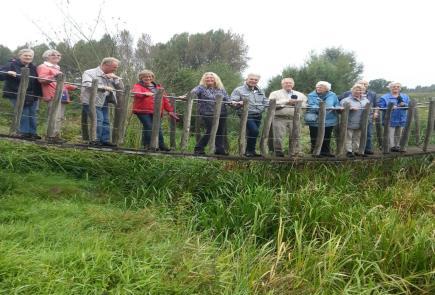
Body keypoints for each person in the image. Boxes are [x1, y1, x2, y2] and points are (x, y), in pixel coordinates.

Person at [80, 57, 123, 146]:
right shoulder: (89, 72)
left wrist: (116, 79)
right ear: (105, 65)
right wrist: (103, 87)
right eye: (114, 67)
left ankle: (105, 140)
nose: (116, 69)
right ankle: (95, 140)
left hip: (104, 100)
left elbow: (121, 88)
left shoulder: (111, 75)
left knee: (106, 121)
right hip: (90, 101)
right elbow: (87, 84)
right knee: (98, 119)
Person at [0, 49, 42, 139]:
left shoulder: (33, 67)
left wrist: (39, 94)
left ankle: (32, 132)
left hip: (32, 94)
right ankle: (23, 132)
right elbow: (1, 73)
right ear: (20, 56)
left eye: (30, 56)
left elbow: (37, 81)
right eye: (25, 55)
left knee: (32, 113)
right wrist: (8, 73)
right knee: (23, 111)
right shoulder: (11, 64)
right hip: (16, 93)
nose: (28, 57)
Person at [37, 49, 77, 143]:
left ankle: (56, 136)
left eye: (58, 55)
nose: (56, 56)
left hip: (61, 94)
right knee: (54, 116)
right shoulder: (43, 66)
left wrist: (72, 87)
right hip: (52, 94)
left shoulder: (56, 68)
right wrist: (54, 76)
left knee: (60, 117)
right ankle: (50, 136)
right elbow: (42, 79)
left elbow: (59, 83)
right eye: (53, 55)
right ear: (46, 56)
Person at [132, 70, 177, 151]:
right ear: (141, 78)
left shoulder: (159, 88)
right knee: (148, 126)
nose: (148, 78)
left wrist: (170, 111)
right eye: (145, 77)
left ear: (152, 78)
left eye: (150, 77)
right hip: (142, 111)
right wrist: (145, 94)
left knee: (158, 127)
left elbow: (165, 100)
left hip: (156, 111)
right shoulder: (138, 86)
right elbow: (136, 93)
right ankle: (147, 145)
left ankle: (161, 145)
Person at [191, 72, 229, 155]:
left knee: (220, 131)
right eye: (207, 78)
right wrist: (185, 97)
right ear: (204, 79)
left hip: (222, 113)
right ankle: (199, 148)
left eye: (211, 78)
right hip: (207, 113)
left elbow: (227, 99)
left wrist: (235, 103)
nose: (209, 79)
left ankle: (219, 149)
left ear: (216, 79)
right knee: (211, 130)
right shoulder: (201, 88)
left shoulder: (220, 88)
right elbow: (192, 93)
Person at [230, 73, 268, 157]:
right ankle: (248, 151)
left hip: (258, 114)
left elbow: (266, 102)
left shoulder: (260, 90)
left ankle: (251, 151)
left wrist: (275, 105)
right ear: (246, 79)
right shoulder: (239, 90)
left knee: (253, 132)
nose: (253, 81)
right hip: (246, 114)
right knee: (254, 131)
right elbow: (232, 101)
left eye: (256, 80)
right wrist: (238, 103)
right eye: (251, 79)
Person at [269, 77, 307, 157]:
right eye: (286, 83)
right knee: (278, 136)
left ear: (293, 84)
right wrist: (286, 102)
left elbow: (305, 105)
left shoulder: (300, 94)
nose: (288, 84)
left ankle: (294, 153)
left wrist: (297, 105)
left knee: (295, 136)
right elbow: (271, 104)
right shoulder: (275, 93)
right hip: (279, 118)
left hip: (295, 118)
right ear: (282, 84)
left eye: (290, 83)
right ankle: (278, 153)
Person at [340, 79, 378, 154]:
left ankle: (356, 150)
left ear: (363, 91)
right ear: (352, 91)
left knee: (358, 138)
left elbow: (370, 111)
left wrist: (372, 115)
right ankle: (349, 151)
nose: (358, 92)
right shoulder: (345, 100)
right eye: (356, 90)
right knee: (348, 137)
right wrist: (348, 108)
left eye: (360, 90)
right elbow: (340, 110)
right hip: (349, 122)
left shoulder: (366, 100)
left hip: (361, 123)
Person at [304, 81, 340, 157]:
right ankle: (315, 152)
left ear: (327, 89)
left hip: (329, 119)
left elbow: (337, 104)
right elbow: (311, 106)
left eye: (321, 87)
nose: (318, 88)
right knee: (314, 136)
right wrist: (323, 107)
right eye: (317, 86)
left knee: (327, 136)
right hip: (315, 119)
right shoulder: (311, 95)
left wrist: (336, 108)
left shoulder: (333, 95)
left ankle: (326, 152)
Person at [377, 82, 410, 152]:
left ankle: (397, 146)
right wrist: (390, 107)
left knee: (399, 134)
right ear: (390, 88)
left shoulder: (405, 96)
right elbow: (381, 107)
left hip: (401, 119)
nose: (396, 88)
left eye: (398, 86)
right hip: (390, 120)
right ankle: (390, 147)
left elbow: (409, 106)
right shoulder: (384, 97)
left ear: (400, 88)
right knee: (390, 134)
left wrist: (404, 104)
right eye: (393, 86)